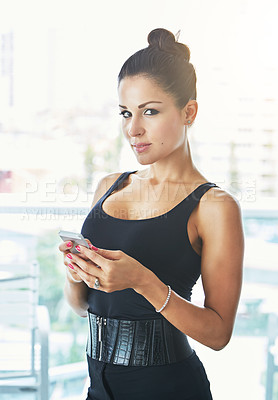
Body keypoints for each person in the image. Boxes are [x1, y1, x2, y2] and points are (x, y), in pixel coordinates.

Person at [59, 28, 244, 400]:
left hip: (168, 389)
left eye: (150, 112)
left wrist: (143, 281)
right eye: (126, 113)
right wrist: (75, 272)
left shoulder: (214, 206)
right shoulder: (109, 185)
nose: (133, 129)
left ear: (188, 111)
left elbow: (219, 335)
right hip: (98, 386)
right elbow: (81, 306)